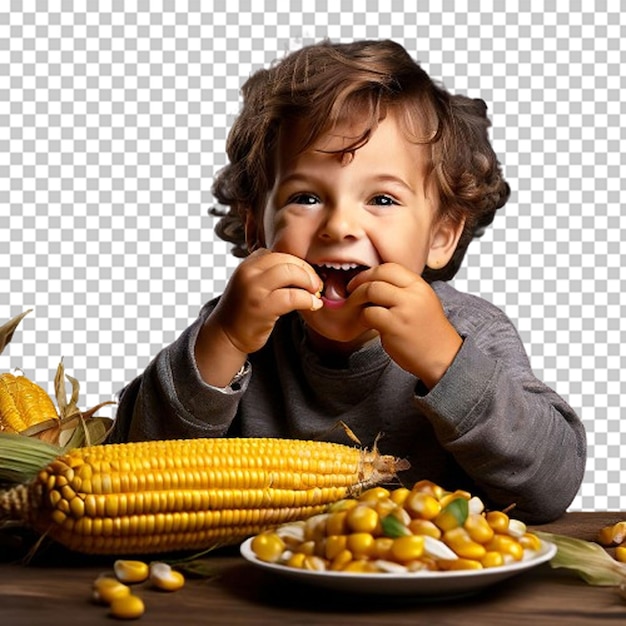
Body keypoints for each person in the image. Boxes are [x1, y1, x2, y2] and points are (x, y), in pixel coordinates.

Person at [108, 39, 586, 523]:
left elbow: (552, 485)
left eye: (382, 199)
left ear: (441, 235)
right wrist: (223, 342)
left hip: (436, 583)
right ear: (257, 226)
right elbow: (123, 467)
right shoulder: (234, 330)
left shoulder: (471, 333)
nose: (339, 226)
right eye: (306, 198)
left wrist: (446, 362)